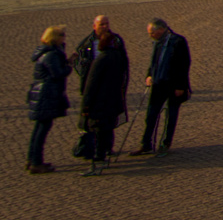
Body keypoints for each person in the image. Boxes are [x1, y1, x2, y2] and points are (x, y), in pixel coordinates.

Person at [73, 15, 128, 175]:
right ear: (94, 25)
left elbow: (91, 84)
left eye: (106, 23)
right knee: (105, 126)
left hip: (100, 99)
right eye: (101, 24)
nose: (104, 26)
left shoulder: (103, 58)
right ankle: (101, 153)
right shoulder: (89, 45)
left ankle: (98, 158)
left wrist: (86, 105)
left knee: (99, 128)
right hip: (110, 96)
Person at [132, 18, 190, 157]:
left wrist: (181, 86)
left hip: (173, 85)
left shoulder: (178, 41)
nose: (150, 35)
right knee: (151, 114)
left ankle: (165, 143)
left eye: (152, 32)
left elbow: (184, 64)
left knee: (170, 116)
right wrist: (149, 75)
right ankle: (146, 144)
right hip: (158, 84)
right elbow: (154, 61)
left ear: (161, 30)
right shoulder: (158, 43)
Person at [27, 24, 72, 174]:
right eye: (61, 36)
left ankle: (32, 159)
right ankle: (36, 162)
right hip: (46, 96)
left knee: (39, 129)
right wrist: (69, 66)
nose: (64, 38)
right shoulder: (51, 55)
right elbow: (58, 73)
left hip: (41, 95)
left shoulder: (47, 52)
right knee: (42, 130)